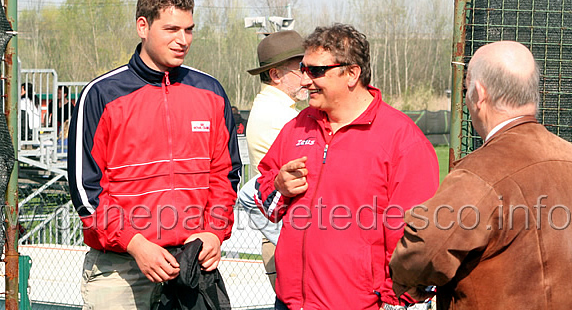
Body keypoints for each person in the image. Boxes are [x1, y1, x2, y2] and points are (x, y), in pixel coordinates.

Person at [67, 0, 241, 310]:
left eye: (189, 29)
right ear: (142, 26)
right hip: (120, 271)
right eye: (172, 29)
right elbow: (85, 191)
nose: (183, 40)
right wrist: (134, 244)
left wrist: (214, 232)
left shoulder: (211, 92)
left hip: (191, 267)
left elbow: (226, 175)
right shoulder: (101, 95)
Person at [255, 23, 439, 310]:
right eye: (303, 69)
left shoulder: (401, 140)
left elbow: (417, 237)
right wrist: (279, 187)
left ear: (352, 73)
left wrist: (394, 302)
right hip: (290, 302)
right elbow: (264, 199)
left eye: (316, 71)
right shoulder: (297, 127)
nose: (305, 80)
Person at [389, 41, 572, 309]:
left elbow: (423, 252)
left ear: (479, 94)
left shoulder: (479, 173)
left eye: (466, 89)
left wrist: (408, 282)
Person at [237, 30, 308, 290]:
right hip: (288, 238)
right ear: (276, 75)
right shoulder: (277, 115)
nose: (307, 76)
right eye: (300, 69)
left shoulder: (279, 109)